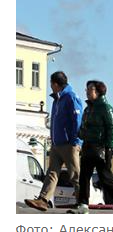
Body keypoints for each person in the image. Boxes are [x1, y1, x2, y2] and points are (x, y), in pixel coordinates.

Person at [25, 71, 83, 211]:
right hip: (57, 144)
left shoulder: (70, 97)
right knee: (52, 172)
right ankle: (43, 199)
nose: (50, 87)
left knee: (75, 174)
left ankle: (82, 201)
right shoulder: (57, 99)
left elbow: (77, 119)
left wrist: (75, 140)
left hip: (69, 144)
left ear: (56, 84)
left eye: (51, 84)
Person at [76, 80, 113, 214]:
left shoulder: (106, 108)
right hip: (87, 146)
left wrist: (108, 148)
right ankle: (83, 204)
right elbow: (83, 126)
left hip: (100, 148)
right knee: (84, 177)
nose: (87, 92)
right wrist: (81, 133)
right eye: (87, 89)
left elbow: (112, 128)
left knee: (105, 177)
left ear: (98, 92)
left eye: (90, 89)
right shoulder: (88, 109)